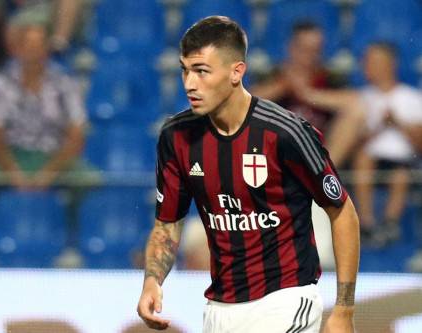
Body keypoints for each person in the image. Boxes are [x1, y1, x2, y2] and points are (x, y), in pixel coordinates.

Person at [137, 16, 360, 333]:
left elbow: (342, 212)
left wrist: (344, 310)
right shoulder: (176, 136)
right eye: (185, 70)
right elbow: (168, 222)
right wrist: (152, 281)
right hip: (220, 310)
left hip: (286, 300)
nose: (189, 83)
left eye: (201, 71)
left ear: (236, 72)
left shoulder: (285, 132)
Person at [0, 22, 100, 263]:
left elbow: (76, 133)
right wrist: (12, 171)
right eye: (28, 46)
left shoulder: (65, 82)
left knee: (90, 181)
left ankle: (72, 245)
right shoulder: (1, 81)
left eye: (38, 46)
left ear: (47, 49)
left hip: (54, 155)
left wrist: (50, 171)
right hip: (13, 154)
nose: (33, 52)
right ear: (17, 49)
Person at [250, 21, 365, 168]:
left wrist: (309, 95)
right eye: (305, 49)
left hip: (318, 152)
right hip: (278, 152)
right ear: (291, 48)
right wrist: (283, 86)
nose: (311, 56)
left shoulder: (329, 77)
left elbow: (355, 102)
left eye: (316, 50)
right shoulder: (273, 74)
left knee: (356, 113)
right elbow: (245, 100)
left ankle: (322, 175)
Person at [352, 43, 422, 247]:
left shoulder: (411, 97)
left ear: (390, 64)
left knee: (400, 173)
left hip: (404, 161)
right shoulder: (361, 99)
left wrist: (396, 122)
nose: (366, 66)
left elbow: (419, 143)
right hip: (369, 159)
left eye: (373, 61)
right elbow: (355, 142)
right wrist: (378, 127)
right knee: (363, 159)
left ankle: (391, 223)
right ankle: (365, 223)